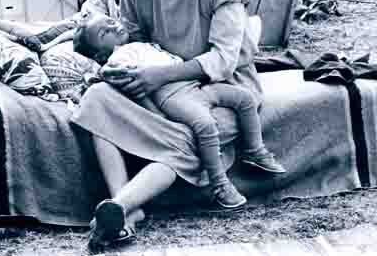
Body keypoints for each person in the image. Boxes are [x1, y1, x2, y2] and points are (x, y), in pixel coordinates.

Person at [71, 0, 283, 251]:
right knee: (96, 99)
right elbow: (132, 44)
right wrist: (120, 72)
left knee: (189, 136)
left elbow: (224, 58)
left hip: (220, 88)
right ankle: (127, 210)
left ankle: (121, 205)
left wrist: (160, 76)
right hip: (162, 90)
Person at [74, 12, 285, 209]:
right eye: (104, 33)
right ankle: (220, 184)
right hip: (173, 95)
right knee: (205, 125)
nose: (114, 26)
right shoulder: (119, 57)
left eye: (110, 21)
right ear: (100, 53)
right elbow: (127, 82)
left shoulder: (140, 44)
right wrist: (156, 113)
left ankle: (255, 150)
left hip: (194, 86)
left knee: (244, 98)